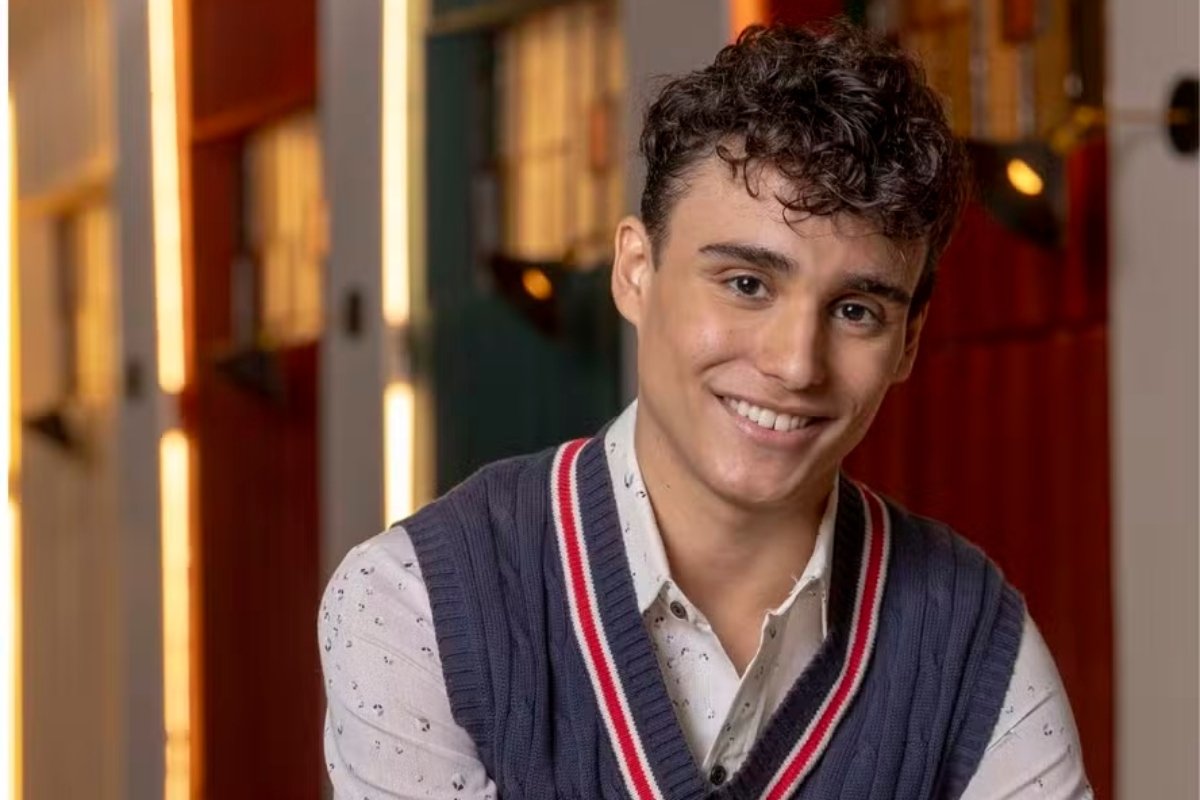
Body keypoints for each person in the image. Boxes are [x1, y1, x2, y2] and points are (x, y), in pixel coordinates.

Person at [320, 22, 1091, 799]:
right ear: (636, 272)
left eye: (856, 310)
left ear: (908, 343)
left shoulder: (973, 639)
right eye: (747, 285)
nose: (795, 364)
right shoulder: (418, 600)